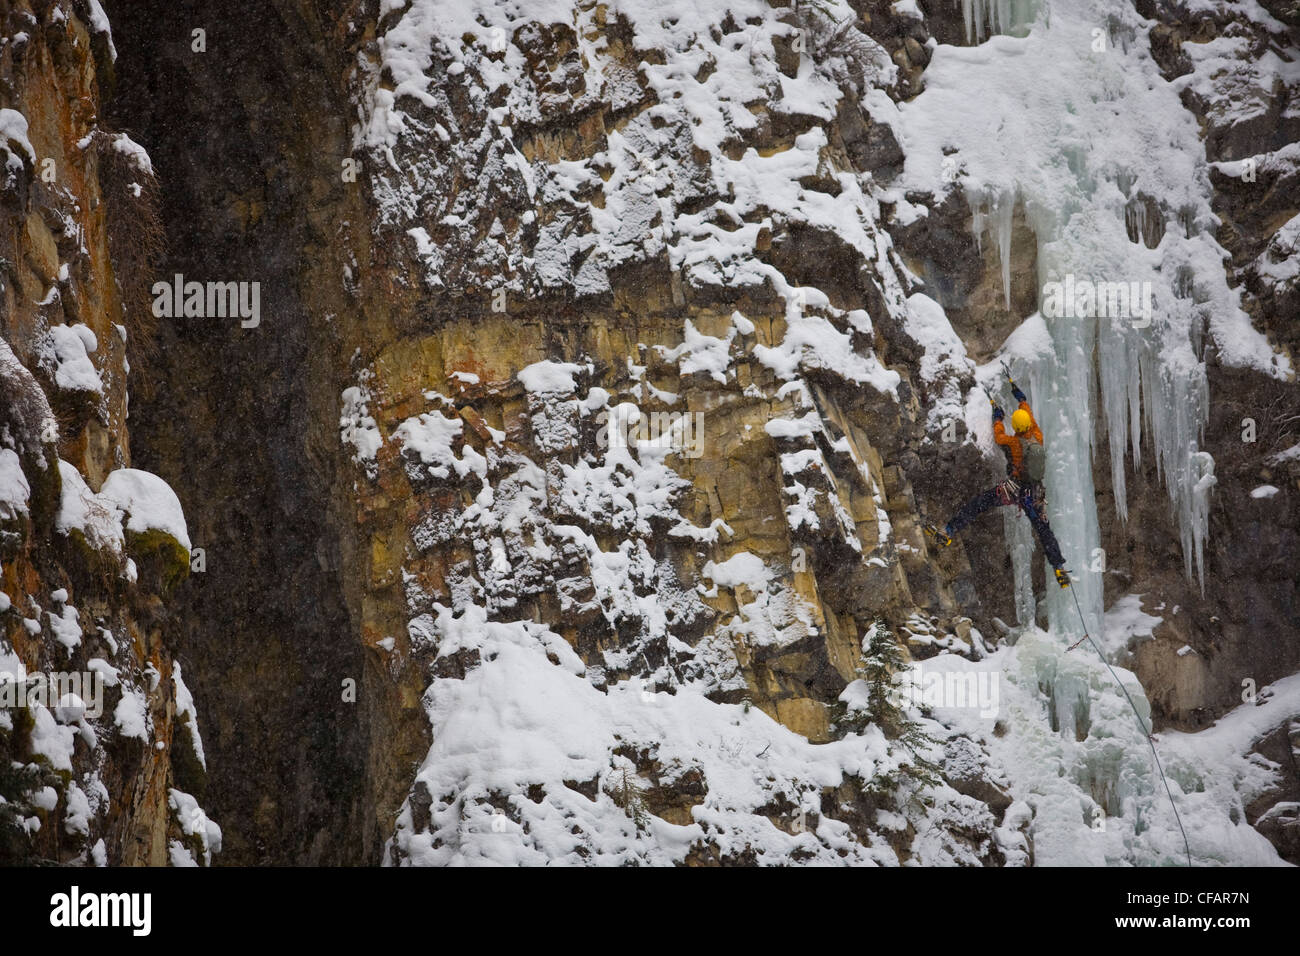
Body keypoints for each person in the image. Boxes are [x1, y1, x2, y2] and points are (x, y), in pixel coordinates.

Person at [929, 374, 1071, 589]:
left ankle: (948, 531)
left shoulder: (1013, 443)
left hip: (1014, 490)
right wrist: (1016, 389)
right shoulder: (1037, 434)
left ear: (1016, 425)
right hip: (1035, 493)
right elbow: (1026, 407)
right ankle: (1059, 567)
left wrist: (997, 414)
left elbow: (998, 433)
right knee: (1044, 530)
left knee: (979, 503)